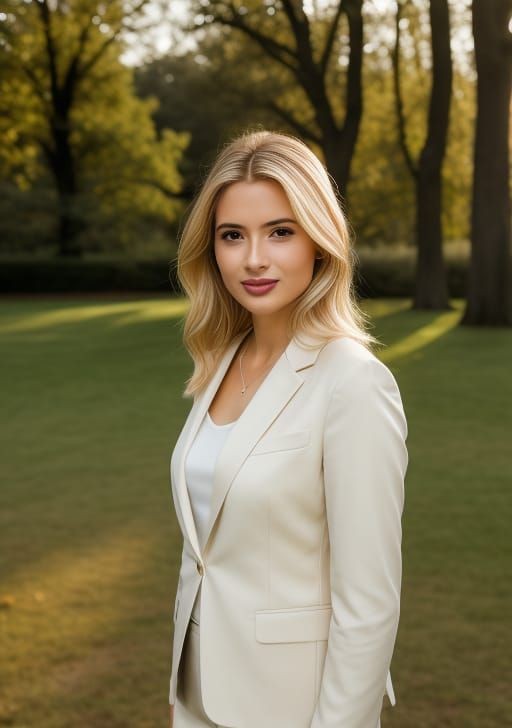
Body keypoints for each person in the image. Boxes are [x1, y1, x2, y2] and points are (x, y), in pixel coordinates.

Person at [167, 129, 409, 728]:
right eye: (232, 236)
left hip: (294, 710)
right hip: (201, 696)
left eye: (280, 231)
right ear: (212, 249)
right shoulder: (222, 363)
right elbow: (206, 553)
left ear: (319, 243)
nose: (254, 258)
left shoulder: (353, 383)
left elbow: (369, 606)